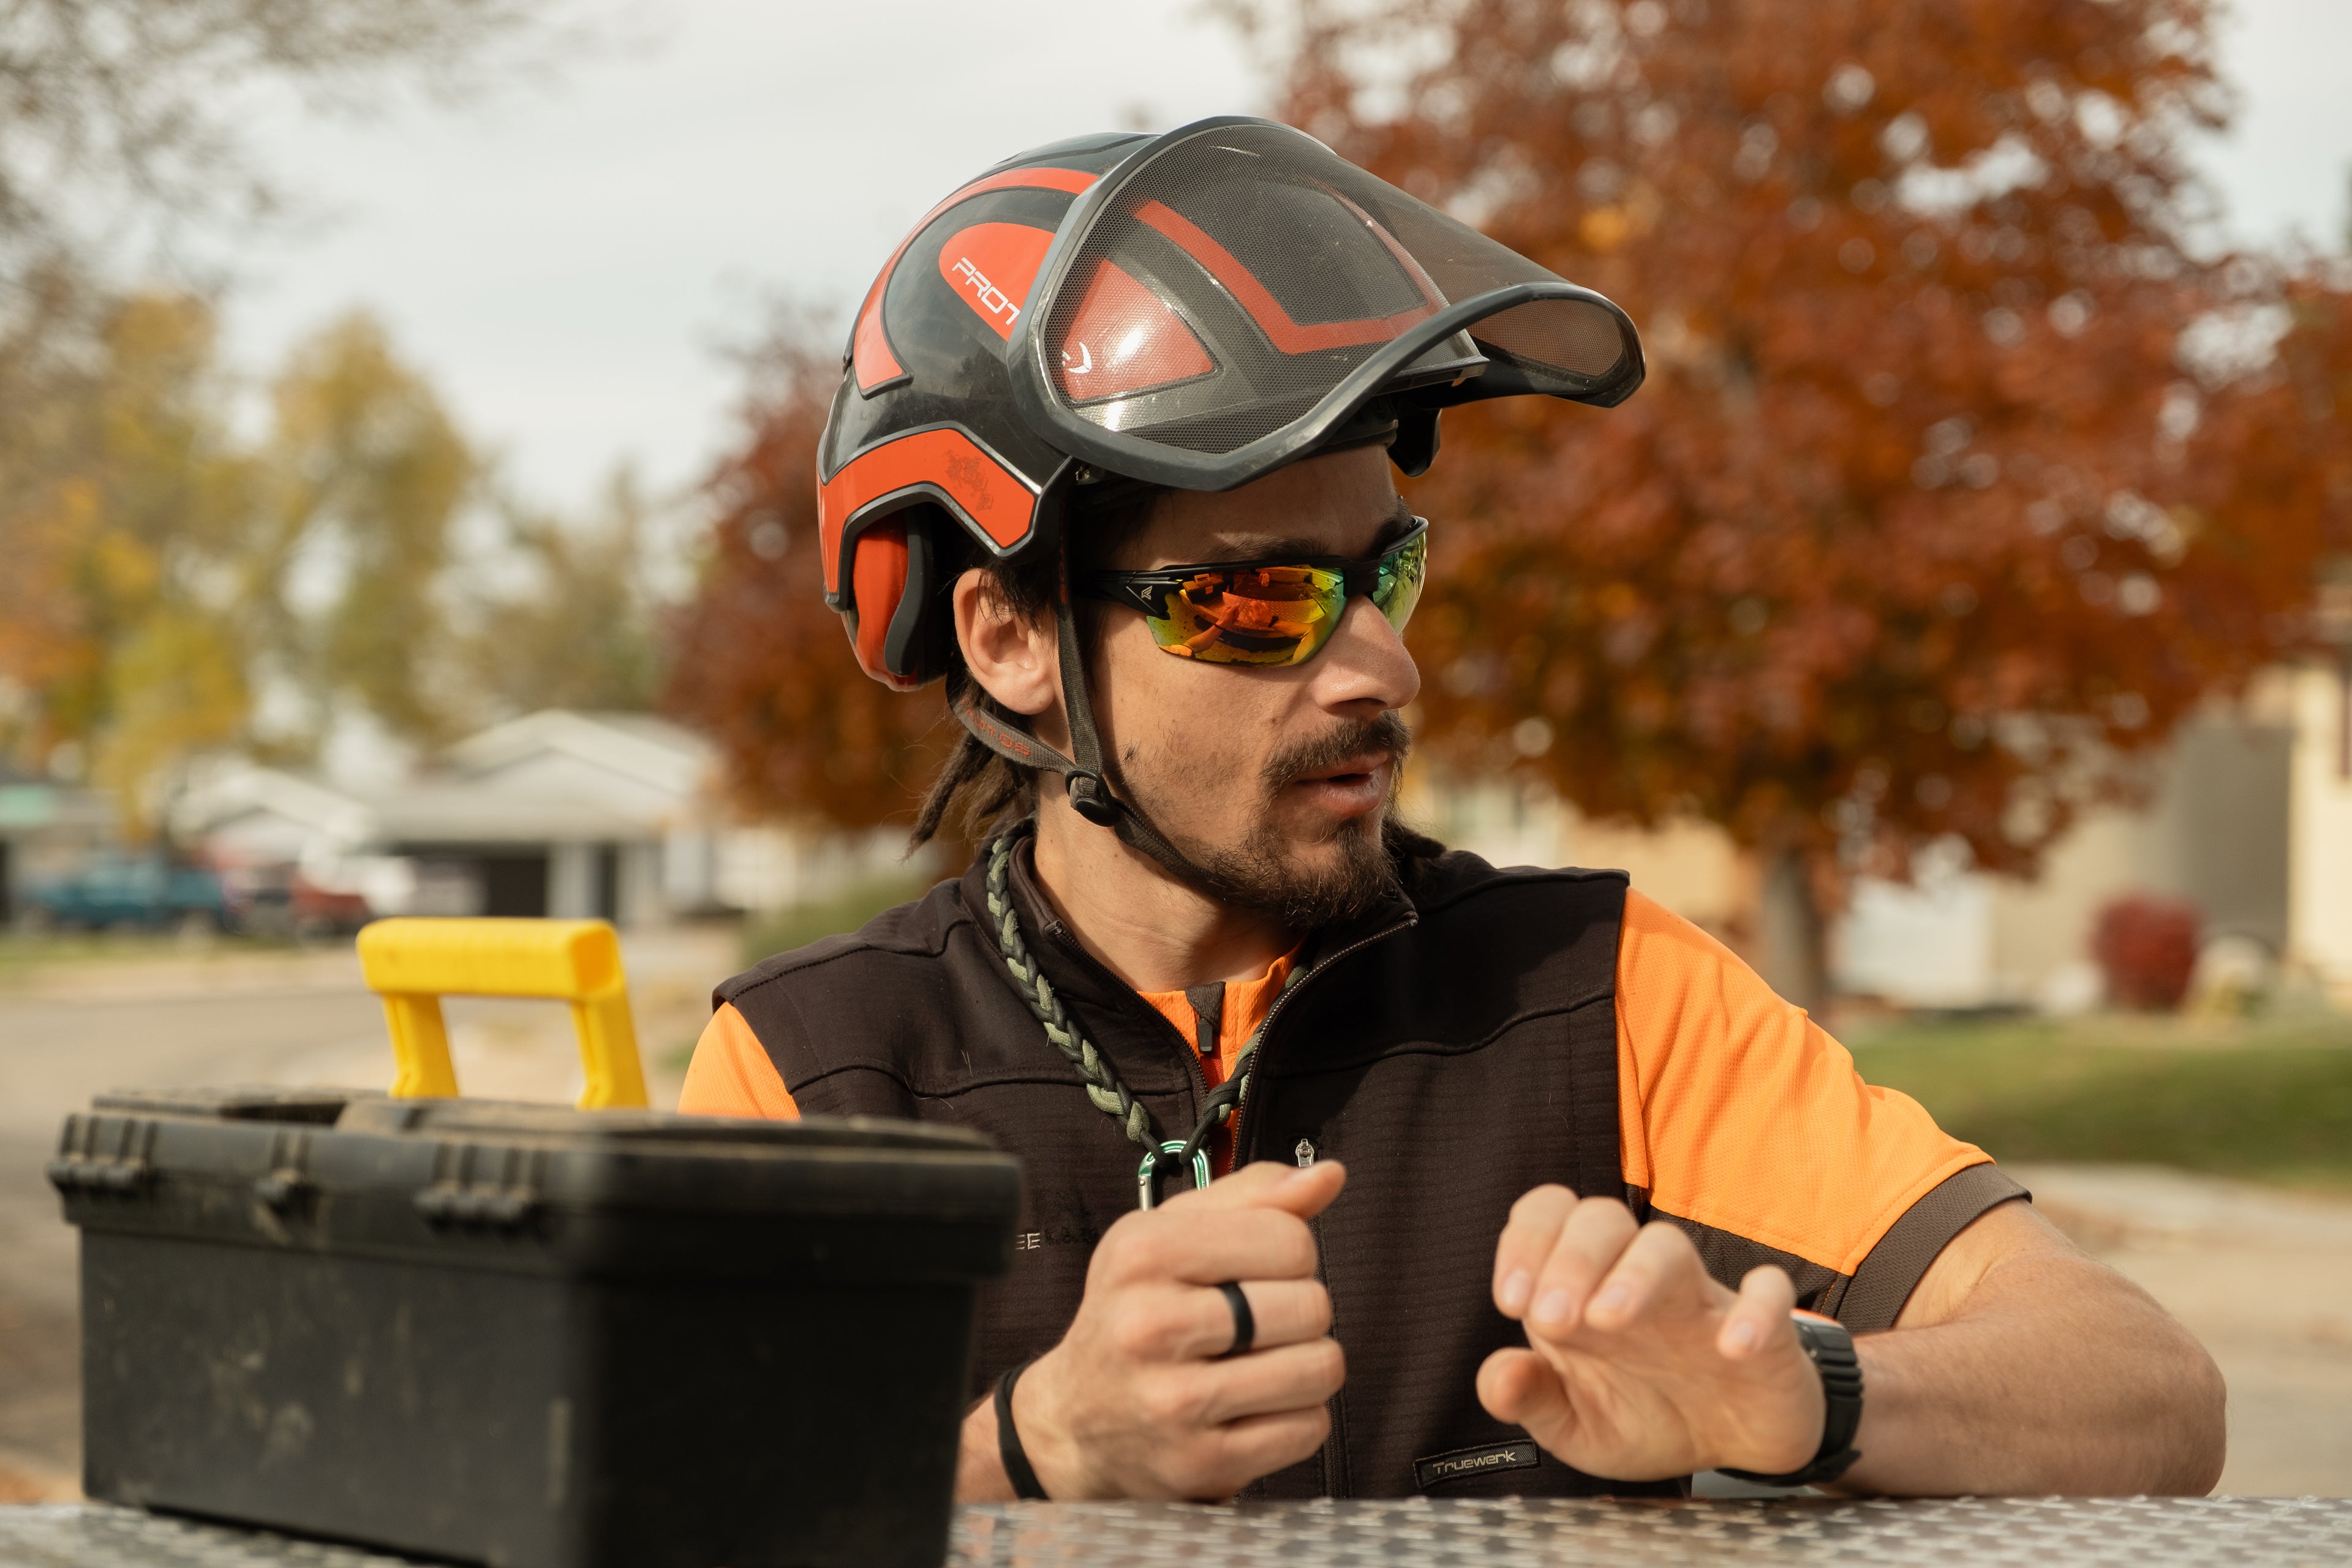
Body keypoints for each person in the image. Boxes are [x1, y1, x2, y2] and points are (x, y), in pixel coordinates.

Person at [680, 118, 2225, 1502]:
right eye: (1263, 597)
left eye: (1386, 573)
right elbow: (662, 1505)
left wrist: (1801, 1396)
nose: (1383, 664)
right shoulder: (819, 1071)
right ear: (1011, 639)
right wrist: (1028, 1451)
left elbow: (2148, 1391)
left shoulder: (1599, 992)